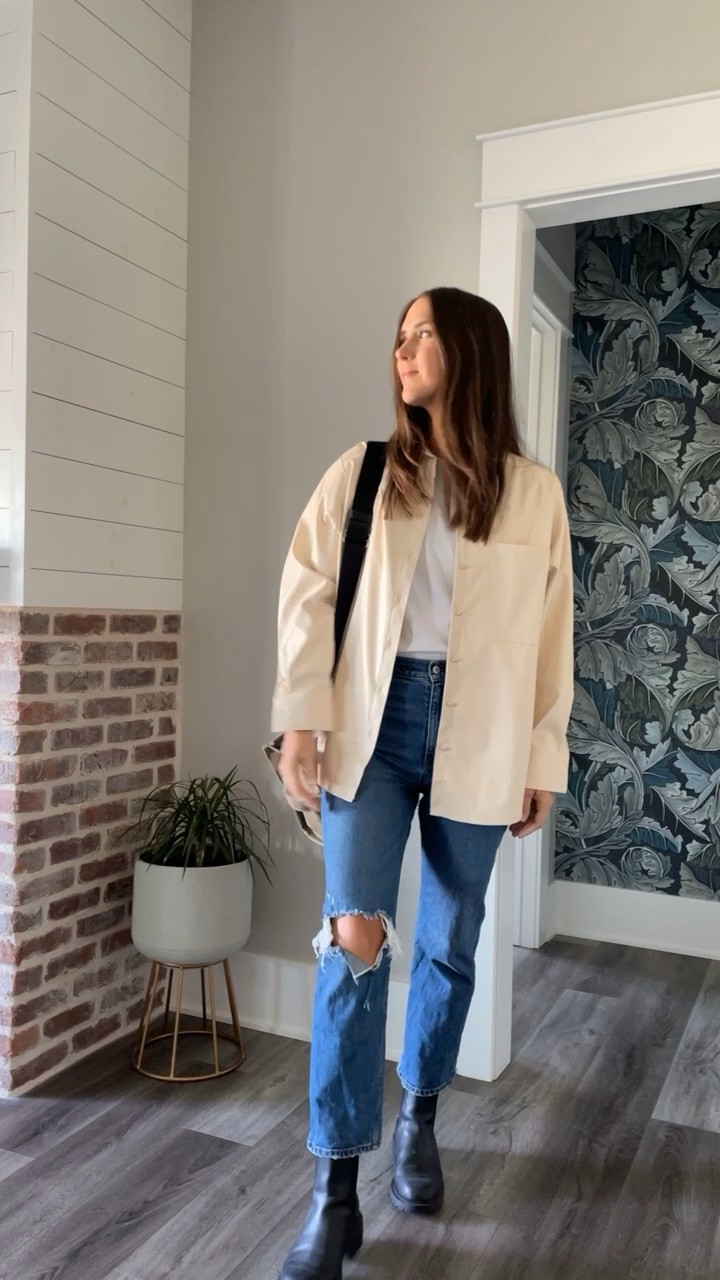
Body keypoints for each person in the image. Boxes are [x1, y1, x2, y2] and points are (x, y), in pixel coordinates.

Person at [271, 286, 575, 1280]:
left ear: (472, 350)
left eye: (422, 334)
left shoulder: (534, 493)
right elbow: (308, 597)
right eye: (396, 336)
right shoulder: (364, 475)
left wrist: (541, 758)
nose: (402, 350)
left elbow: (551, 641)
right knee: (353, 944)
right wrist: (299, 719)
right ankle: (334, 1191)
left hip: (482, 730)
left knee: (449, 940)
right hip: (373, 721)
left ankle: (423, 1117)